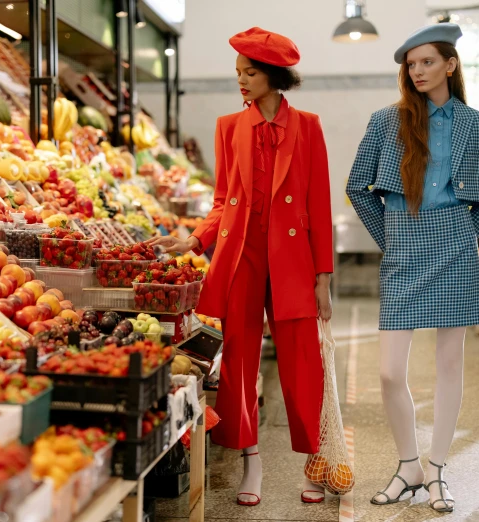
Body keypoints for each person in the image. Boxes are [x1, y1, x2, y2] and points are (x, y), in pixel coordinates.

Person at [148, 27, 334, 506]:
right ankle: (252, 462)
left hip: (292, 262)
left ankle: (313, 463)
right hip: (241, 258)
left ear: (274, 75)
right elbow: (222, 201)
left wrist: (323, 278)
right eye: (238, 73)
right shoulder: (229, 127)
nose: (242, 81)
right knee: (240, 365)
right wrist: (192, 240)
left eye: (250, 73)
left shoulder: (309, 126)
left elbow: (319, 204)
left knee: (301, 368)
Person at [346, 24, 479, 513]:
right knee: (389, 372)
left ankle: (435, 470)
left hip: (454, 244)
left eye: (426, 62)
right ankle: (408, 465)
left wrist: (466, 231)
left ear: (450, 65)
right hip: (404, 241)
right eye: (410, 64)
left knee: (449, 365)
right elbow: (359, 186)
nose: (417, 71)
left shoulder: (478, 125)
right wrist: (389, 238)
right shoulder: (386, 121)